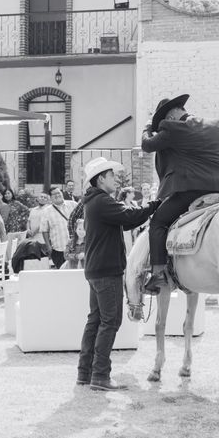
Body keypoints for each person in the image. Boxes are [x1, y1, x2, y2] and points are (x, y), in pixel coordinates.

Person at [78, 157, 160, 391]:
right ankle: (101, 376)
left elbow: (123, 223)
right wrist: (155, 205)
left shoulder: (94, 201)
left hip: (96, 270)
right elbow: (129, 218)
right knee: (110, 321)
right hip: (107, 270)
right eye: (112, 175)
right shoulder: (102, 201)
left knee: (95, 321)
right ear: (101, 178)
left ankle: (85, 373)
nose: (117, 179)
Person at [141, 94, 219, 293]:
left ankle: (158, 274)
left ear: (172, 115)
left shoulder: (171, 128)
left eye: (165, 120)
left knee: (158, 222)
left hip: (191, 190)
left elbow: (147, 145)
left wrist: (148, 127)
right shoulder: (214, 124)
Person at [41, 187, 77, 268]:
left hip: (76, 248)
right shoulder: (46, 211)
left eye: (58, 193)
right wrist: (48, 246)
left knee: (76, 273)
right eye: (54, 194)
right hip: (59, 249)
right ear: (50, 198)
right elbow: (44, 230)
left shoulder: (73, 204)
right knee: (62, 274)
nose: (57, 195)